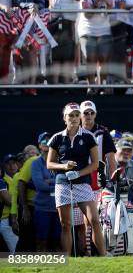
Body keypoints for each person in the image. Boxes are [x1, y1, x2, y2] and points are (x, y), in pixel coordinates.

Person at [46, 103, 106, 256]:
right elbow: (49, 163)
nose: (74, 118)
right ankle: (66, 259)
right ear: (64, 118)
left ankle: (104, 255)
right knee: (66, 225)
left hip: (83, 184)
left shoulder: (88, 136)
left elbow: (94, 164)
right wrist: (64, 166)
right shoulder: (57, 138)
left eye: (76, 115)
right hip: (63, 184)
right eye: (70, 115)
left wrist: (78, 173)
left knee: (95, 221)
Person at [31, 132, 60, 252]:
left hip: (59, 208)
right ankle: (41, 266)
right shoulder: (36, 163)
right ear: (39, 146)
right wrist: (57, 183)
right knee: (41, 241)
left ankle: (62, 268)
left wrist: (50, 181)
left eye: (50, 141)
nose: (47, 144)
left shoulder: (60, 162)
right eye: (44, 142)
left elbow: (64, 183)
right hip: (42, 208)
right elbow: (40, 185)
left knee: (58, 241)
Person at [113, 138, 133, 222]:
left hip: (128, 208)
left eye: (129, 150)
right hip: (109, 207)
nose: (126, 153)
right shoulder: (107, 163)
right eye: (123, 149)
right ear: (116, 149)